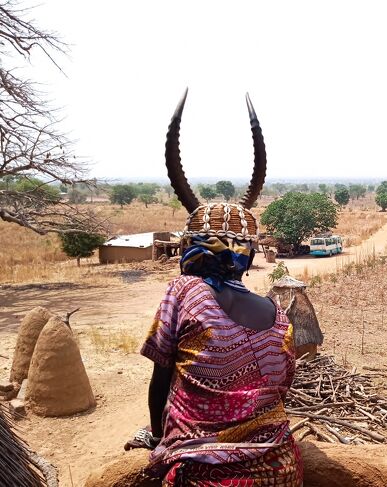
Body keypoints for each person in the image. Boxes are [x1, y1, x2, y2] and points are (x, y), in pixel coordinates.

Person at [126, 90, 303, 486]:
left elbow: (161, 378)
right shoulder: (279, 317)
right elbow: (280, 390)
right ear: (248, 254)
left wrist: (156, 437)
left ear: (190, 249)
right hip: (281, 469)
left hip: (204, 472)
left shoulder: (183, 292)